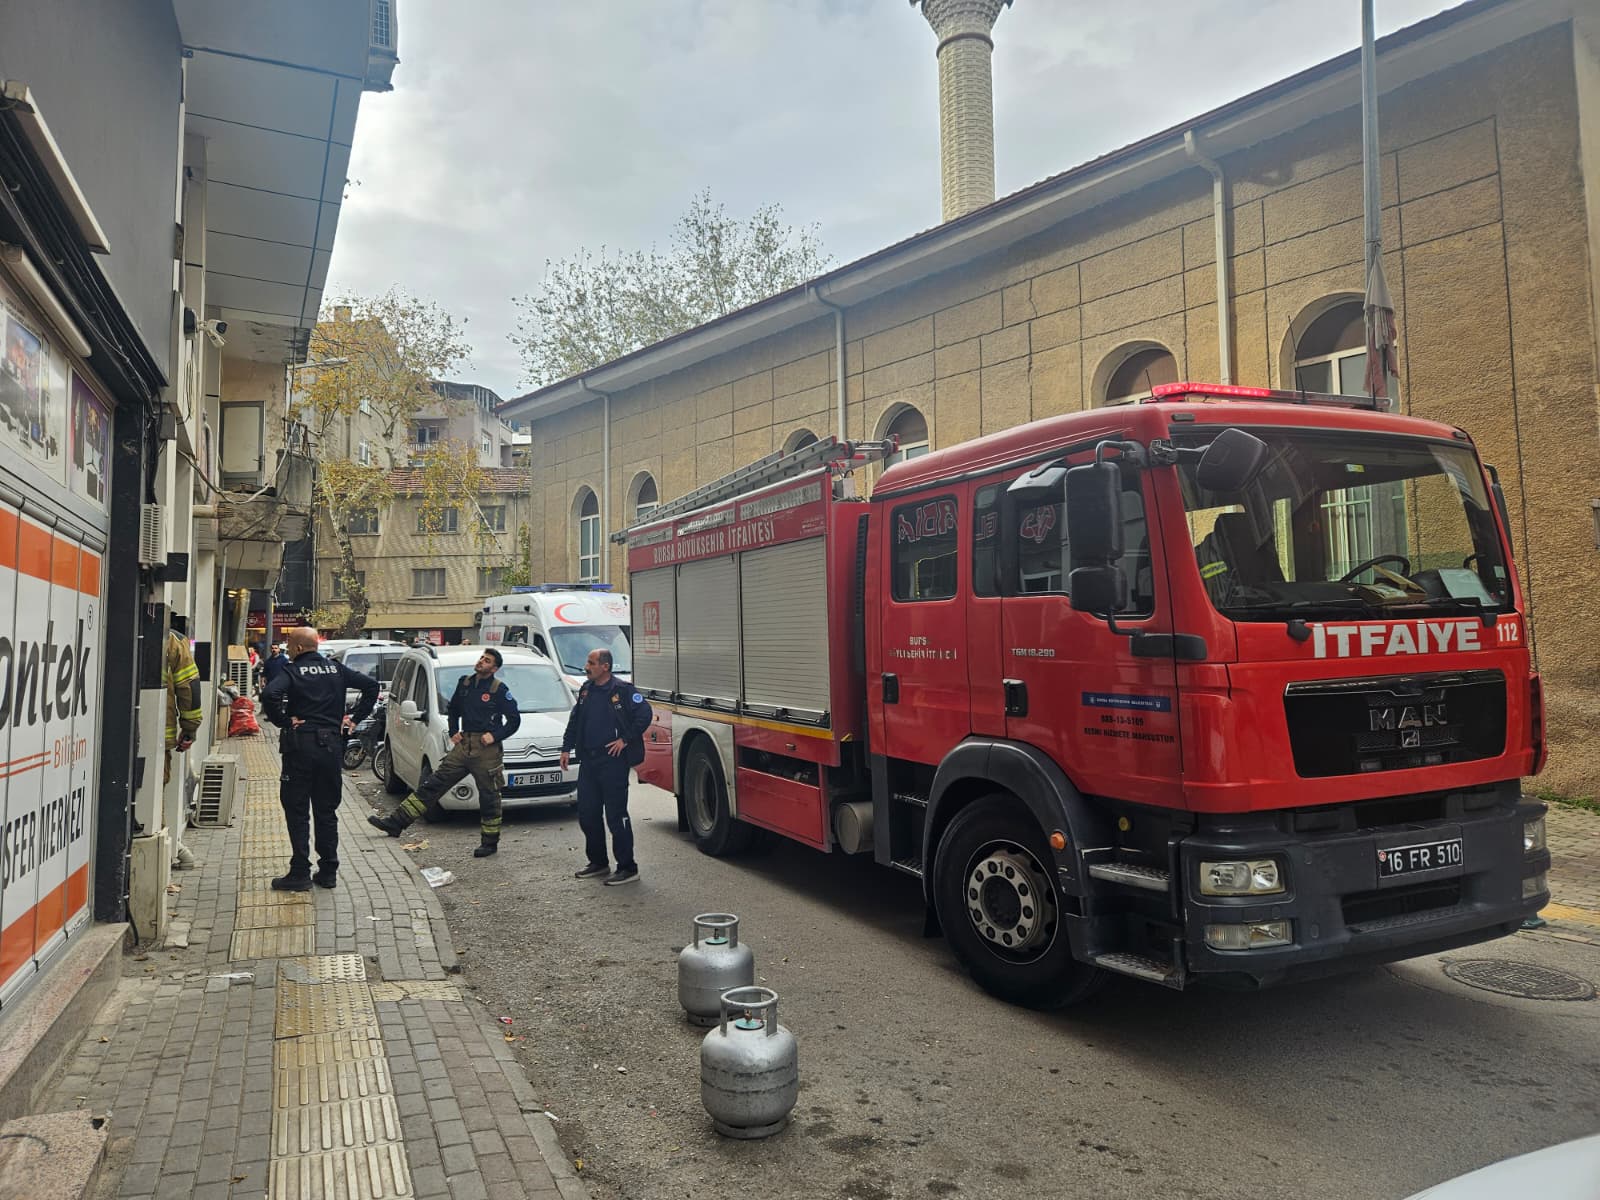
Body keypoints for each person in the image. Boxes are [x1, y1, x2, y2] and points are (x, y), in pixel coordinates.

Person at [368, 648, 521, 857]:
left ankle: (489, 843)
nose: (481, 662)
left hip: (486, 751)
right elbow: (453, 709)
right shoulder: (465, 683)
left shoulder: (499, 690)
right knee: (433, 784)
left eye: (487, 661)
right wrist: (454, 730)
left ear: (494, 669)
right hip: (464, 746)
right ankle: (396, 823)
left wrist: (495, 736)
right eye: (481, 658)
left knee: (489, 797)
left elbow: (514, 721)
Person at [261, 627, 378, 891]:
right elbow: (371, 686)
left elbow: (269, 694)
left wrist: (283, 720)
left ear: (299, 648)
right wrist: (354, 719)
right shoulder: (336, 669)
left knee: (297, 810)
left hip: (300, 748)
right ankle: (328, 872)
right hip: (330, 747)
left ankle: (300, 872)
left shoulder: (292, 671)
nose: (288, 649)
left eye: (290, 645)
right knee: (326, 811)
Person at [561, 648, 651, 886]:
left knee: (616, 816)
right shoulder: (586, 690)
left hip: (613, 762)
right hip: (589, 762)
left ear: (605, 667)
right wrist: (565, 748)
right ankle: (598, 862)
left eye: (591, 663)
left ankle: (627, 867)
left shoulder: (623, 690)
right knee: (587, 814)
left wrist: (625, 739)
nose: (586, 667)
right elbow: (575, 720)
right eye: (587, 662)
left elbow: (645, 715)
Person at [163, 618, 203, 870]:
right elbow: (189, 688)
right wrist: (189, 729)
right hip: (157, 740)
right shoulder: (173, 641)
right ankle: (162, 855)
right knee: (150, 797)